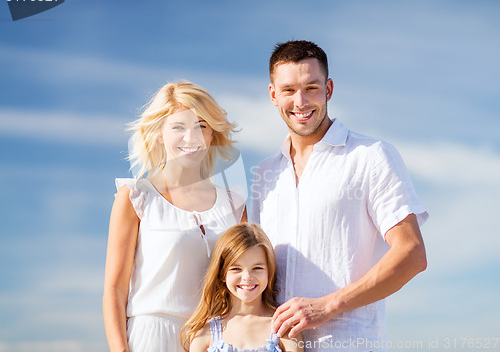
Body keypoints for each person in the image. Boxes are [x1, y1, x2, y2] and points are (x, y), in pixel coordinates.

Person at [250, 40, 429, 352]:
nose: (301, 101)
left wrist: (326, 306)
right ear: (273, 95)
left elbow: (412, 253)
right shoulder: (263, 175)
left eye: (312, 88)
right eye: (289, 90)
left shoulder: (371, 156)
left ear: (329, 89)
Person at [103, 81, 246, 352]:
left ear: (212, 135)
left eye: (201, 126)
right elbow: (115, 289)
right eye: (178, 127)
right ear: (159, 134)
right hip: (151, 337)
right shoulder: (136, 197)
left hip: (215, 339)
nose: (190, 138)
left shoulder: (234, 203)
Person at [182, 222, 303, 352]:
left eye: (257, 268)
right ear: (222, 274)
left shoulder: (285, 328)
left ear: (269, 272)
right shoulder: (205, 333)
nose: (247, 277)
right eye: (236, 268)